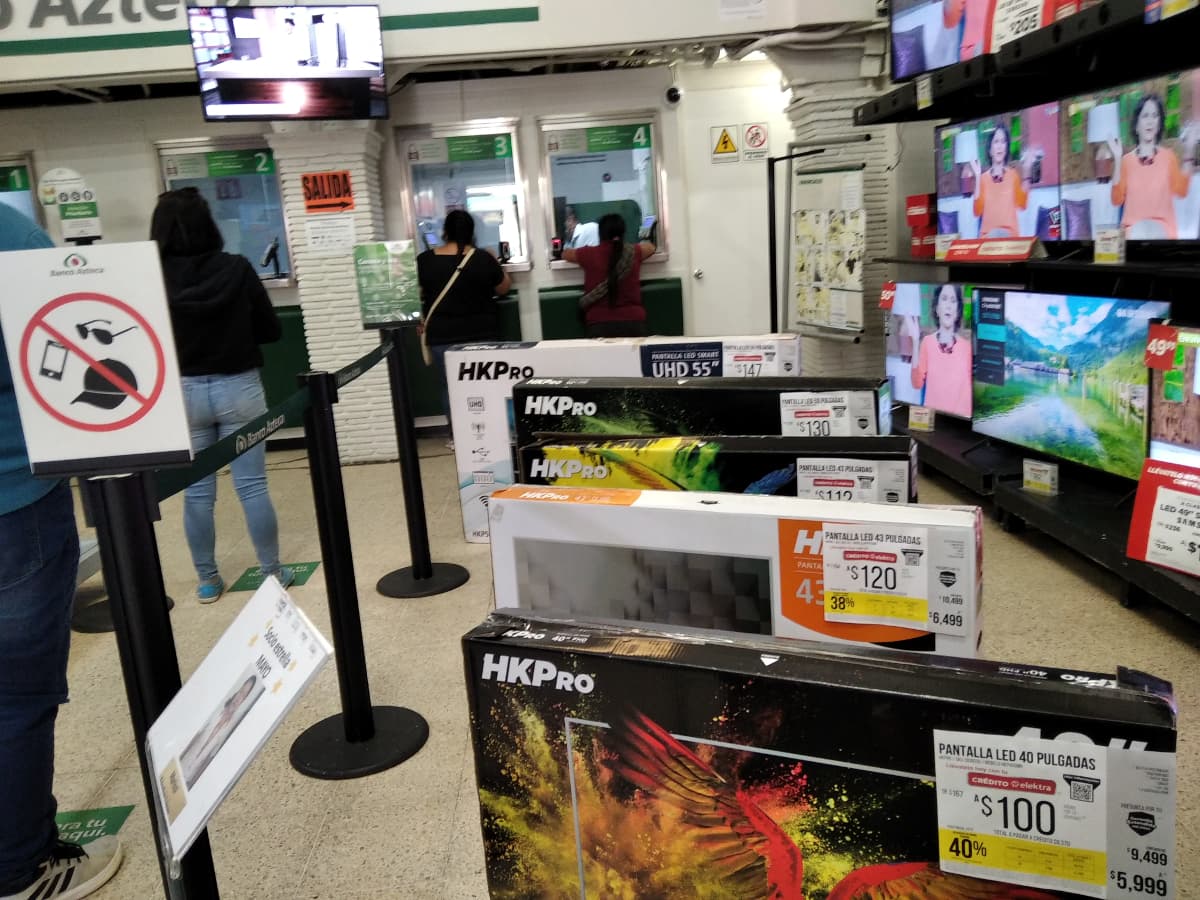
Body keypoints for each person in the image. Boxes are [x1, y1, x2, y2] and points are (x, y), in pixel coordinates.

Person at [0, 204, 124, 899]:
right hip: (12, 504)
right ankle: (20, 868)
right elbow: (66, 354)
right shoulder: (9, 236)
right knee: (16, 697)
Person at [150, 188, 292, 603]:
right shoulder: (236, 268)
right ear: (208, 225)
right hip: (239, 387)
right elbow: (271, 329)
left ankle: (208, 580)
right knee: (252, 487)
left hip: (184, 392)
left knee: (197, 492)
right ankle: (272, 573)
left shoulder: (152, 277)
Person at [417, 209, 512, 439]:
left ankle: (458, 437)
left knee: (451, 387)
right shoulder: (483, 258)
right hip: (483, 335)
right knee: (487, 386)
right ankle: (491, 434)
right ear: (472, 232)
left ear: (445, 232)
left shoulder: (425, 260)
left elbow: (415, 295)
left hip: (443, 337)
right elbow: (503, 288)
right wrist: (495, 262)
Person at [1109, 93, 1197, 239]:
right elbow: (1116, 200)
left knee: (1148, 231)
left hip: (1162, 231)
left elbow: (1182, 191)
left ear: (1159, 123)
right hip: (1132, 232)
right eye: (1145, 116)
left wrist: (1189, 149)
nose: (1150, 121)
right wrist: (1117, 159)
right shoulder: (1126, 161)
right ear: (1136, 125)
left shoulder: (1168, 157)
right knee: (1135, 233)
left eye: (1155, 116)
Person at [564, 213, 656, 338]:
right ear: (623, 233)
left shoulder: (589, 253)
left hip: (598, 325)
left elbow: (566, 254)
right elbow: (651, 247)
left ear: (600, 234)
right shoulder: (634, 252)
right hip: (634, 324)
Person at [905, 283, 972, 417]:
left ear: (958, 311)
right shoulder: (927, 342)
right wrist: (915, 341)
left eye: (953, 301)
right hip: (935, 420)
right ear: (937, 308)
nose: (948, 306)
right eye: (944, 299)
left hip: (961, 423)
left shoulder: (967, 348)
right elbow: (917, 383)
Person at [970, 124, 1035, 238]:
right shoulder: (983, 178)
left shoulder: (1013, 175)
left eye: (1003, 141)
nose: (1000, 146)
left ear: (1006, 148)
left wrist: (1027, 169)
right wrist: (977, 176)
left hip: (1009, 237)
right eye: (996, 142)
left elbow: (1022, 205)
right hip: (988, 237)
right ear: (990, 150)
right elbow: (976, 212)